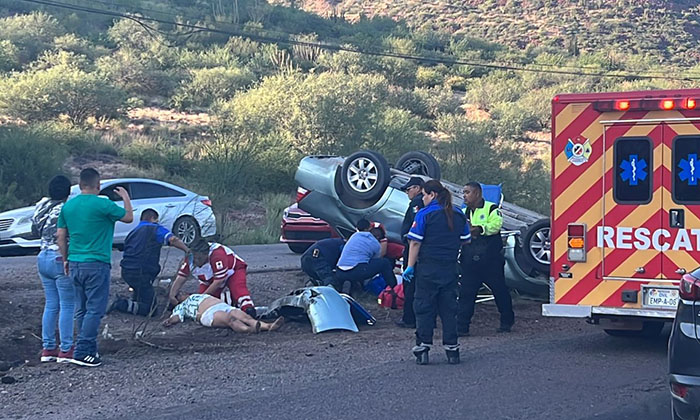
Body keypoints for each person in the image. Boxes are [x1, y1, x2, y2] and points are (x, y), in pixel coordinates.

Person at [57, 168, 134, 367]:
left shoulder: (68, 207)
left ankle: (88, 349)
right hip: (97, 262)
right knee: (95, 309)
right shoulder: (103, 204)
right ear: (98, 185)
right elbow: (128, 217)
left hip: (74, 262)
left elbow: (61, 236)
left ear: (80, 184)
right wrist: (125, 197)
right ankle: (83, 351)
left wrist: (65, 259)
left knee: (81, 309)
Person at [404, 180, 470, 365]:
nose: (422, 199)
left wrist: (410, 266)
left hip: (428, 268)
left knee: (424, 307)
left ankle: (423, 348)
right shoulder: (457, 213)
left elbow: (415, 242)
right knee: (449, 309)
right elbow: (465, 239)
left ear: (432, 195)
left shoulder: (425, 214)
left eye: (424, 195)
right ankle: (452, 349)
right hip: (449, 268)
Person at [456, 182, 514, 336]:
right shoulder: (463, 212)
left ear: (477, 194)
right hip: (470, 261)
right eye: (464, 192)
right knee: (466, 294)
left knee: (500, 291)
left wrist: (479, 229)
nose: (464, 196)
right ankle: (462, 327)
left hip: (490, 261)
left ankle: (506, 322)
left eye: (468, 192)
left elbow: (496, 225)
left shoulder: (492, 209)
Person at [108, 209, 190, 317]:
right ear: (153, 219)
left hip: (127, 271)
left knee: (141, 293)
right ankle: (121, 304)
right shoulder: (154, 228)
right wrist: (187, 250)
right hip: (141, 272)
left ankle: (133, 304)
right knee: (151, 310)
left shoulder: (133, 232)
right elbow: (172, 239)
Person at [32, 175, 75, 363]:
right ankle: (66, 348)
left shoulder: (41, 206)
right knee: (67, 304)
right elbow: (65, 235)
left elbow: (34, 230)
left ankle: (48, 348)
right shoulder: (66, 208)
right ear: (68, 191)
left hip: (42, 256)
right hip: (59, 256)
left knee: (51, 304)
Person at [169, 238, 256, 317]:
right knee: (207, 305)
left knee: (238, 288)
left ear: (205, 254)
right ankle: (230, 300)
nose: (196, 261)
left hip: (232, 270)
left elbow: (219, 281)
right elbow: (182, 276)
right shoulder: (190, 258)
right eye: (194, 258)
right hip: (209, 279)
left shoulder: (217, 254)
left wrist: (200, 299)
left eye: (199, 258)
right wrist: (172, 294)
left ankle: (247, 307)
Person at [164, 292, 284, 333]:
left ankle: (268, 326)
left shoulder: (196, 295)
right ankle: (248, 330)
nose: (182, 293)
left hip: (222, 305)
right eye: (179, 294)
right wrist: (170, 320)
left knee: (245, 317)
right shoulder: (181, 307)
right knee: (230, 320)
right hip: (207, 313)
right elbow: (176, 317)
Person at [333, 219, 396, 293]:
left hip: (340, 271)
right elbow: (377, 258)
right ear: (369, 228)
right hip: (356, 271)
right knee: (384, 263)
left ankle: (354, 290)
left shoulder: (353, 237)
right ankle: (394, 289)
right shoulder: (374, 242)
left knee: (359, 263)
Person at [396, 176, 425, 329]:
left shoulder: (417, 203)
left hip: (414, 249)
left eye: (409, 189)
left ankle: (409, 318)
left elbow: (415, 227)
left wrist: (408, 241)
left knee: (411, 285)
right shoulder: (428, 202)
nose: (407, 192)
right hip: (420, 250)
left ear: (418, 188)